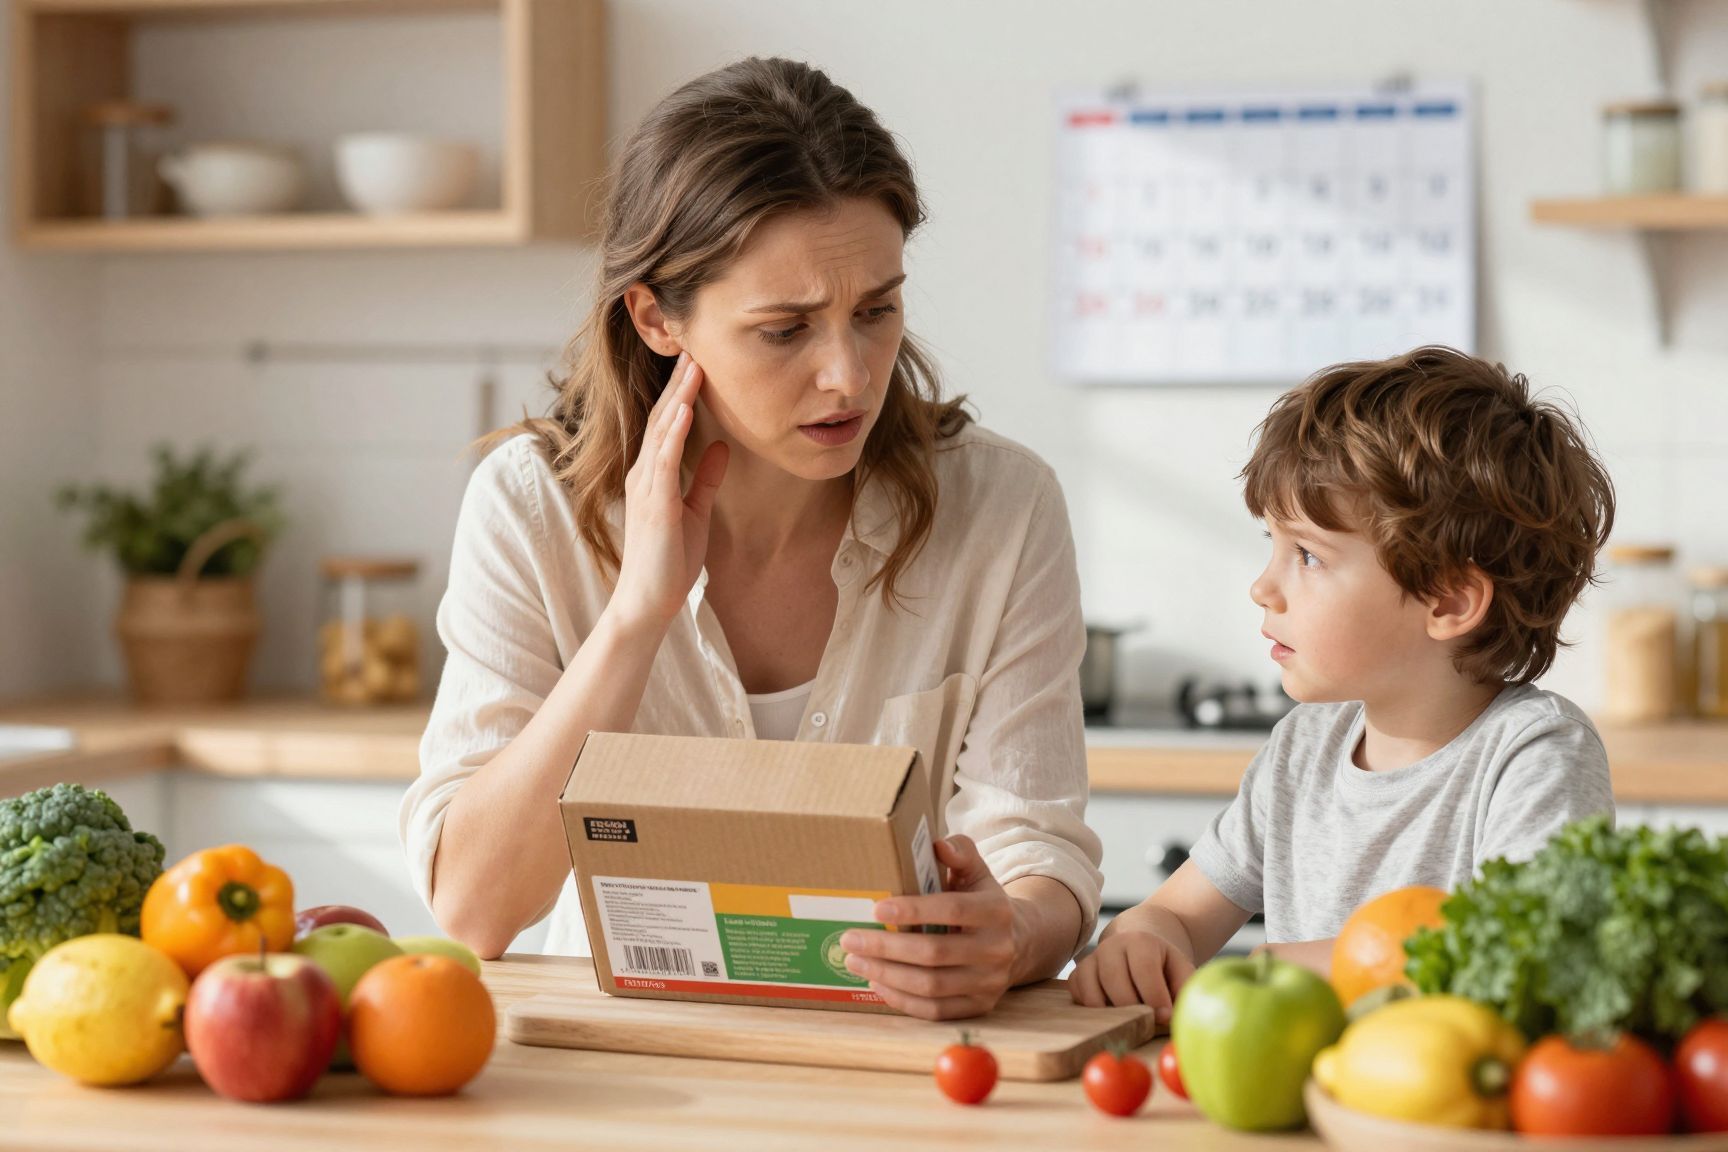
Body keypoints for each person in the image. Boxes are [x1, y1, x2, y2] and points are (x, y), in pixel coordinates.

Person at [401, 58, 1102, 1021]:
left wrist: (1014, 935)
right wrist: (637, 617)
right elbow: (472, 910)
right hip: (617, 1079)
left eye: (876, 310)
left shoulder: (1003, 508)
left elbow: (1039, 851)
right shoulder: (532, 510)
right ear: (655, 317)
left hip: (899, 1073)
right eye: (785, 331)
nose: (849, 378)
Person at [1071, 346, 1617, 1024]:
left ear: (1447, 600)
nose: (1262, 587)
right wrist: (1146, 936)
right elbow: (1178, 915)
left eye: (1306, 555)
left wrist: (1265, 970)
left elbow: (1524, 951)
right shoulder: (1304, 746)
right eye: (1270, 543)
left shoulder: (1535, 755)